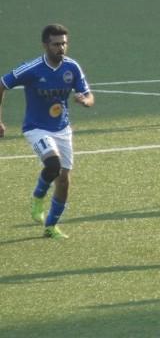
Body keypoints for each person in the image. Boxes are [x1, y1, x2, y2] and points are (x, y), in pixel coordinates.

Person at [0, 24, 94, 239]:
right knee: (53, 164)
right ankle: (38, 198)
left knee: (64, 180)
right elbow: (2, 84)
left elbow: (89, 95)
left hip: (62, 129)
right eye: (56, 44)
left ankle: (51, 226)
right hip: (36, 128)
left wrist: (85, 101)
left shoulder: (72, 67)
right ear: (45, 45)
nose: (61, 48)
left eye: (64, 43)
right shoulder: (31, 69)